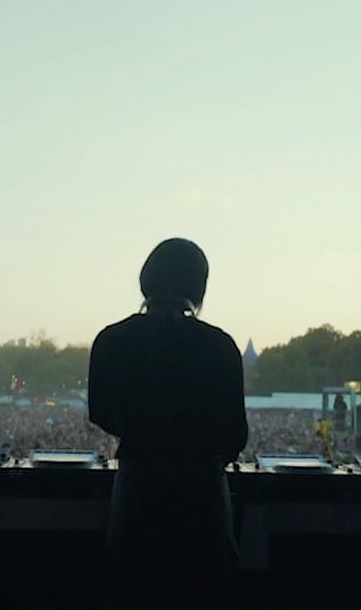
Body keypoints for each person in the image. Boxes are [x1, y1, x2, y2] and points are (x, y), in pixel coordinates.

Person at [88, 238, 248, 609]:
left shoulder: (111, 341)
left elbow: (101, 413)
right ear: (199, 286)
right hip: (202, 494)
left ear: (146, 281)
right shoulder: (220, 346)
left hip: (137, 487)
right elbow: (235, 434)